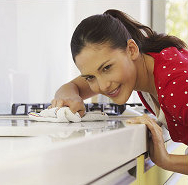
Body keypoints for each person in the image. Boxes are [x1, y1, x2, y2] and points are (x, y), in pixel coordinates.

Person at [50, 9, 188, 174]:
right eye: (89, 77)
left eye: (107, 68)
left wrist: (167, 161)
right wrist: (71, 98)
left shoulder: (175, 84)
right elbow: (70, 87)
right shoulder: (147, 63)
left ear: (131, 49)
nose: (102, 86)